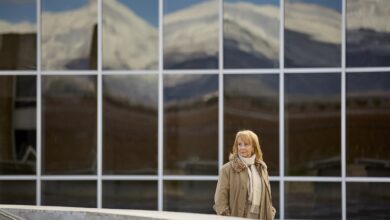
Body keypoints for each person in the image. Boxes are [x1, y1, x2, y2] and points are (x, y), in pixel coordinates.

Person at [213, 130, 276, 219]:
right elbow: (220, 199)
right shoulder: (227, 169)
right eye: (239, 144)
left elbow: (268, 196)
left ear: (254, 147)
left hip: (261, 216)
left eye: (246, 144)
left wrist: (271, 212)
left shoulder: (262, 168)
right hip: (238, 216)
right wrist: (226, 217)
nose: (242, 148)